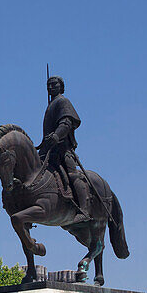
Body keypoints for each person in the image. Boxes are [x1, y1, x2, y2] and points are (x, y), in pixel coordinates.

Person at [37, 75, 91, 222]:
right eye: (49, 85)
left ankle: (84, 210)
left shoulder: (63, 101)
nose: (51, 87)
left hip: (62, 149)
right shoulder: (50, 105)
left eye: (54, 84)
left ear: (61, 87)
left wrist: (56, 135)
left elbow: (67, 122)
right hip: (48, 150)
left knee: (73, 174)